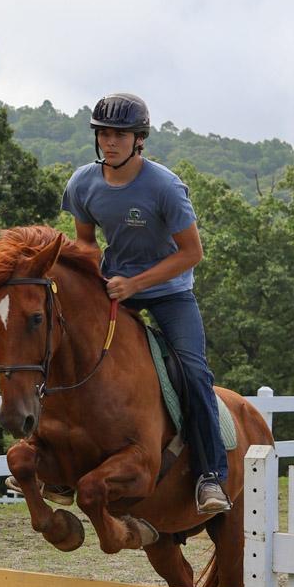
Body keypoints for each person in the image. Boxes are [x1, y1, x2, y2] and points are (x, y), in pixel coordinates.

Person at [61, 93, 231, 513]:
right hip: (115, 286)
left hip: (170, 293)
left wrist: (135, 284)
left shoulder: (165, 187)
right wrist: (91, 280)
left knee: (193, 371)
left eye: (119, 135)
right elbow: (86, 242)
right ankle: (58, 465)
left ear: (139, 140)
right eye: (103, 133)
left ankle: (211, 477)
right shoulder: (82, 183)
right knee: (69, 350)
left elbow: (192, 253)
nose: (109, 142)